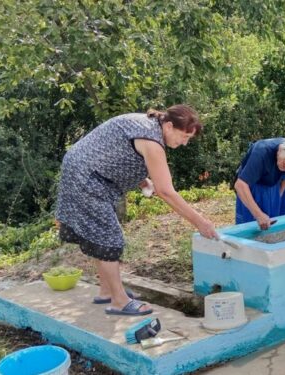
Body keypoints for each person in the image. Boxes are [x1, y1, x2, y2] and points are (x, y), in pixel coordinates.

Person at [55, 104, 219, 316]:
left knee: (99, 233)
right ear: (169, 126)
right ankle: (119, 301)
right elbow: (166, 191)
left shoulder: (149, 125)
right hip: (86, 177)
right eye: (184, 136)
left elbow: (115, 150)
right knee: (109, 238)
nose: (185, 143)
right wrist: (200, 222)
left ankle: (107, 290)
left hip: (81, 168)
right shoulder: (152, 142)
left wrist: (142, 181)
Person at [233, 138, 285, 229]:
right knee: (256, 228)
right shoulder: (261, 151)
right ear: (279, 153)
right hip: (254, 187)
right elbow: (240, 185)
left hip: (279, 183)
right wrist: (258, 214)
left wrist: (280, 194)